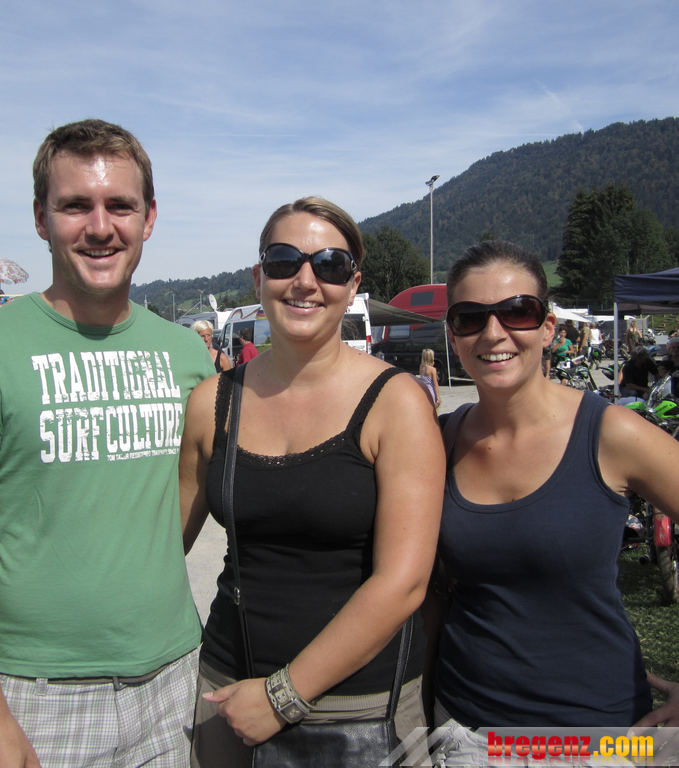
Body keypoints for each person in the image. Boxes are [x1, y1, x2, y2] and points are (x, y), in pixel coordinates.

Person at [0, 120, 215, 768]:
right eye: (76, 205)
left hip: (174, 679)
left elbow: (188, 498)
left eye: (120, 206)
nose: (100, 227)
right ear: (40, 218)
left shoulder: (187, 355)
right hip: (38, 694)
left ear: (149, 218)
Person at [429, 240, 679, 763]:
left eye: (518, 311)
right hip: (464, 732)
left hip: (594, 733)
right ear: (453, 336)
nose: (493, 333)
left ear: (548, 328)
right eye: (470, 317)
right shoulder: (439, 440)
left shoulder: (610, 433)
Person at [179, 197, 444, 768]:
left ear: (353, 285)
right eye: (284, 261)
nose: (305, 280)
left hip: (358, 706)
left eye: (329, 265)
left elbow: (403, 582)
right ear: (259, 278)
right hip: (227, 687)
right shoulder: (213, 402)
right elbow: (160, 545)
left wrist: (283, 696)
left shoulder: (396, 403)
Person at [418, 348, 441, 414]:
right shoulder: (432, 369)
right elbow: (435, 383)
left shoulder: (421, 367)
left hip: (424, 389)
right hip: (431, 390)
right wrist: (438, 396)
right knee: (435, 409)